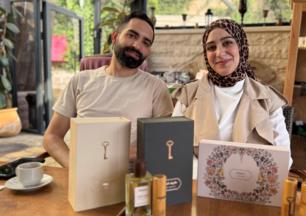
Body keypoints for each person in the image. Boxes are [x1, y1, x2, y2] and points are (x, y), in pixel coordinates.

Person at [43, 12, 174, 168]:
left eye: (146, 43)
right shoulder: (80, 80)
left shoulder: (156, 88)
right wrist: (75, 169)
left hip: (131, 179)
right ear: (114, 37)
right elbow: (52, 136)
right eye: (132, 35)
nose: (137, 45)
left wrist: (112, 156)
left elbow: (165, 144)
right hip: (83, 173)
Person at [172, 19, 292, 166]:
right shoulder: (188, 95)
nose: (219, 53)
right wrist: (208, 177)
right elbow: (173, 147)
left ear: (241, 46)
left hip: (251, 184)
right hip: (197, 182)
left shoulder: (267, 98)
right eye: (211, 47)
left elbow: (284, 158)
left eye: (227, 43)